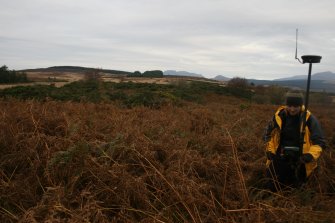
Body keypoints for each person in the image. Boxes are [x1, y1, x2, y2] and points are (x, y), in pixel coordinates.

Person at [263, 91, 325, 191]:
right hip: (279, 157)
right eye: (289, 105)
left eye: (296, 106)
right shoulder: (278, 117)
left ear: (301, 105)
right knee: (271, 185)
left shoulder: (309, 119)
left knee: (296, 189)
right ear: (285, 104)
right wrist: (270, 151)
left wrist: (310, 155)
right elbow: (267, 136)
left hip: (302, 160)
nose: (292, 109)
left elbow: (320, 142)